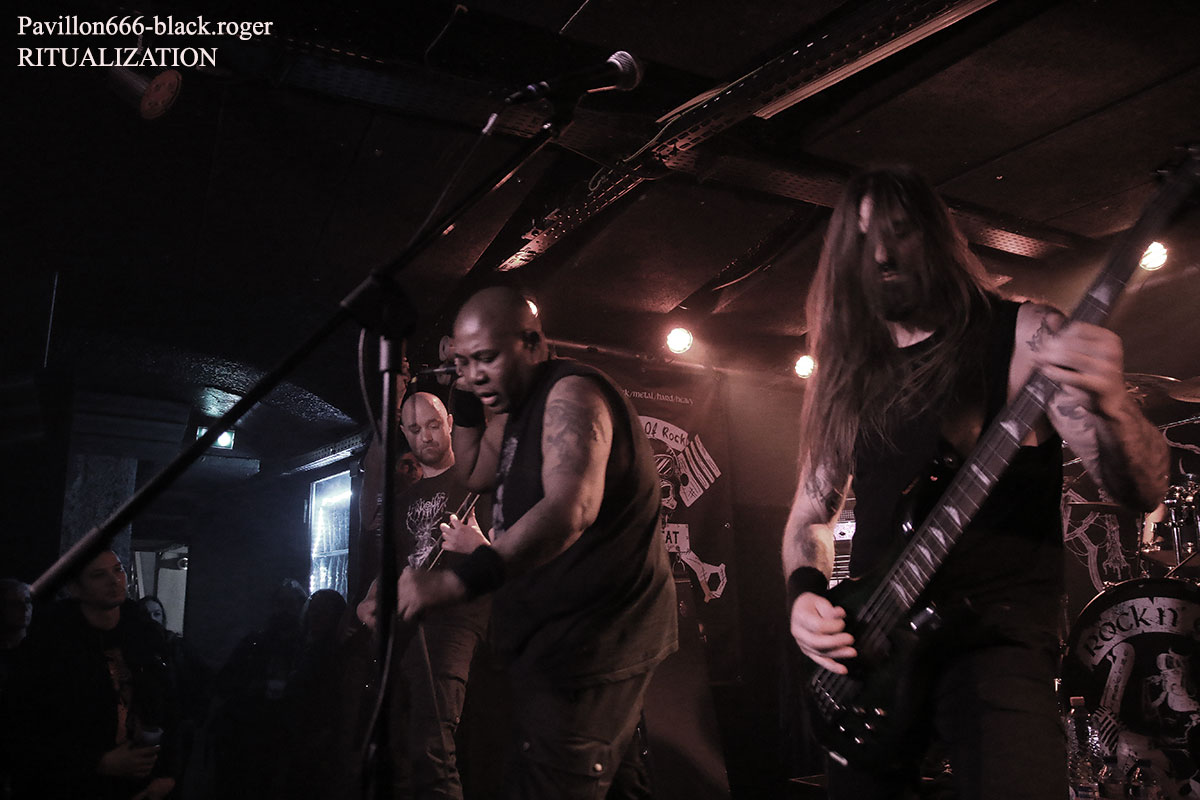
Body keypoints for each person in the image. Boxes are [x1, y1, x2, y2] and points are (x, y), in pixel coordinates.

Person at [781, 165, 1169, 798]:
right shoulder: (847, 372)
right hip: (873, 646)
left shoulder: (1024, 336)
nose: (881, 254)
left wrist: (1114, 406)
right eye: (864, 239)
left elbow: (1142, 489)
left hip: (996, 640)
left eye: (900, 231)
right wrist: (804, 593)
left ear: (935, 235)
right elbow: (810, 513)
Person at [394, 286, 679, 799]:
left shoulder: (572, 394)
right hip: (562, 634)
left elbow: (571, 507)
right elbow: (475, 471)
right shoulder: (517, 410)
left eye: (487, 357)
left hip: (597, 636)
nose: (476, 373)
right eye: (465, 362)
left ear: (532, 343)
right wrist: (465, 388)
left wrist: (459, 581)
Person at [355, 391, 491, 800]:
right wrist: (369, 600)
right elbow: (393, 568)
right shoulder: (402, 501)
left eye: (433, 425)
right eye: (415, 429)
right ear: (403, 432)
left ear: (450, 422)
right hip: (407, 628)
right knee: (398, 751)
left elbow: (516, 557)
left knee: (434, 747)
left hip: (454, 624)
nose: (426, 437)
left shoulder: (477, 484)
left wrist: (480, 547)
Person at [5, 550, 180, 800]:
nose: (114, 580)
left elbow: (171, 704)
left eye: (118, 570)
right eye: (99, 575)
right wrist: (96, 762)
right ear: (75, 589)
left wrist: (167, 774)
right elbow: (25, 728)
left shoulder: (144, 633)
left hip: (140, 782)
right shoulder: (50, 643)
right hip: (74, 787)